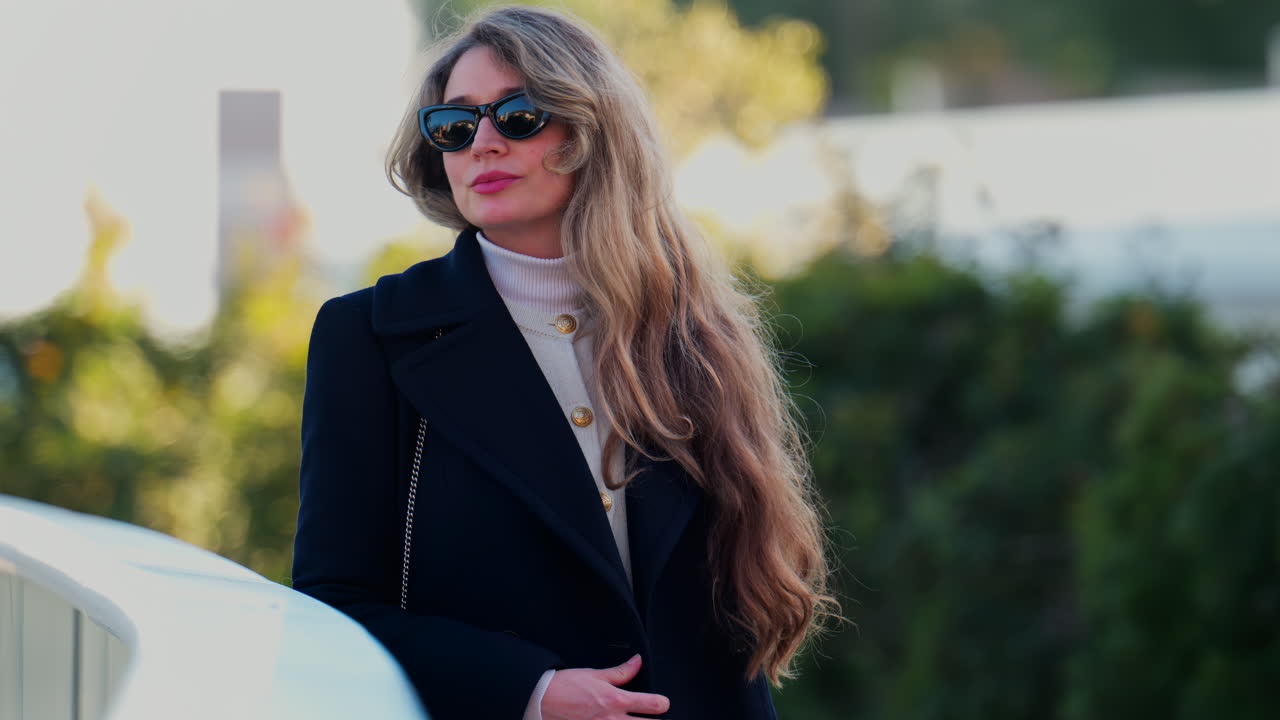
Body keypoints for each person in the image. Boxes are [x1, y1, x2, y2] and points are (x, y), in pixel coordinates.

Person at [291, 6, 835, 719]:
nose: (482, 143)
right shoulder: (371, 335)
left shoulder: (688, 328)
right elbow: (332, 606)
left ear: (590, 132)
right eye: (455, 125)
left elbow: (728, 627)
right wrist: (530, 690)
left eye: (518, 115)